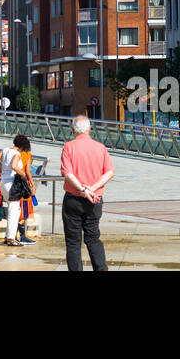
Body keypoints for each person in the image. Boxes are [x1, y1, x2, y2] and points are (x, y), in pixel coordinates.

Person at [58, 114, 114, 271]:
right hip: (94, 200)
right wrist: (92, 189)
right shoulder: (100, 147)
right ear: (89, 129)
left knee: (73, 241)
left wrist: (83, 190)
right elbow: (109, 172)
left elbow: (67, 173)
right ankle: (101, 267)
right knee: (93, 237)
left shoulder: (68, 147)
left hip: (73, 199)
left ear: (72, 130)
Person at [0, 134, 32, 247]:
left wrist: (2, 172)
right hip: (12, 184)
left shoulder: (5, 150)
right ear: (23, 146)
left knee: (11, 209)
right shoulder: (17, 153)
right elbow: (14, 166)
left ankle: (8, 236)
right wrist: (23, 175)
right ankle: (11, 239)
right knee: (14, 211)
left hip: (3, 183)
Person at [17, 141, 37, 245]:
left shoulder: (13, 153)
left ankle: (12, 235)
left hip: (13, 187)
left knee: (16, 211)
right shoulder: (27, 155)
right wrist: (33, 186)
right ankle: (22, 236)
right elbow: (28, 171)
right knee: (25, 211)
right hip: (24, 188)